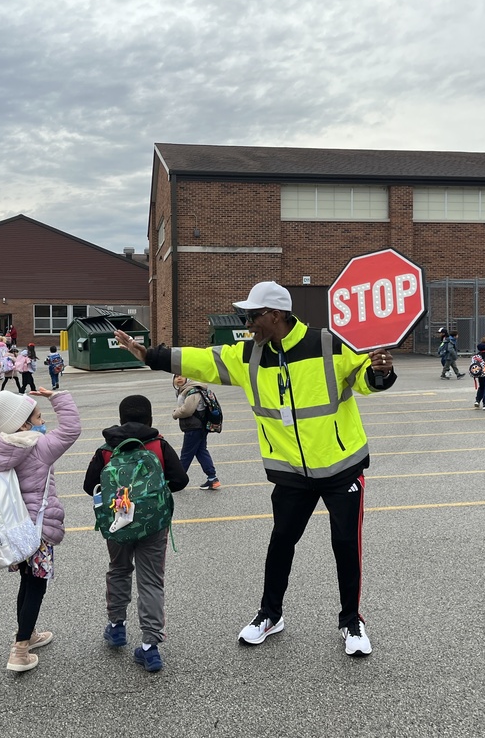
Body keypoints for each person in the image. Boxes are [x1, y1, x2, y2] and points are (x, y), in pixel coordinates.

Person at [112, 280, 396, 657]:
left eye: (252, 316)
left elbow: (366, 380)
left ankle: (351, 621)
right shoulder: (249, 355)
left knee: (345, 545)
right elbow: (203, 360)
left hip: (341, 467)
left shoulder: (329, 343)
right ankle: (270, 614)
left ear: (275, 314)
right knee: (281, 543)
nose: (248, 324)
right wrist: (151, 354)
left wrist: (379, 370)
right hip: (291, 473)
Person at [0, 386, 81, 672]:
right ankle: (20, 650)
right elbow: (71, 429)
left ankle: (27, 634)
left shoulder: (0, 447)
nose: (42, 421)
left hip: (13, 530)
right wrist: (58, 397)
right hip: (38, 530)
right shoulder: (37, 447)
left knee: (27, 579)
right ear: (23, 422)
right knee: (36, 584)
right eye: (38, 416)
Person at [82, 395, 189, 673]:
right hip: (153, 524)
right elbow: (180, 480)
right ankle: (150, 646)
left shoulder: (107, 449)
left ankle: (117, 627)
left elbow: (89, 485)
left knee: (118, 570)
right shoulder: (158, 445)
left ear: (120, 419)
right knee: (151, 580)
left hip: (118, 523)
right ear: (150, 419)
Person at [172, 375, 221, 490]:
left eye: (182, 376)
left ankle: (177, 480)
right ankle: (212, 479)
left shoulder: (192, 391)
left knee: (186, 454)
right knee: (201, 451)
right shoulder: (187, 389)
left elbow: (187, 410)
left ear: (187, 378)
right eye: (176, 376)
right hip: (199, 427)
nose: (179, 378)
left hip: (194, 427)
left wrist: (175, 413)